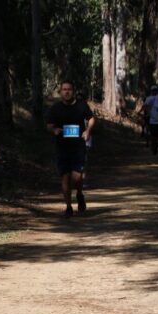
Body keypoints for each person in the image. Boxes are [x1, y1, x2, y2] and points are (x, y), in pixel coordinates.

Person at [45, 80, 95, 217]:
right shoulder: (56, 108)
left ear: (73, 91)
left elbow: (91, 119)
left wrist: (88, 131)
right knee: (65, 178)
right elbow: (49, 125)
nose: (67, 92)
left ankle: (79, 193)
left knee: (77, 178)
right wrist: (54, 129)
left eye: (69, 89)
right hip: (62, 148)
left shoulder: (81, 105)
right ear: (61, 92)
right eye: (64, 89)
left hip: (78, 146)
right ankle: (68, 207)